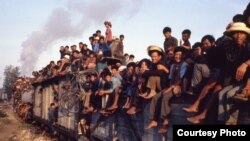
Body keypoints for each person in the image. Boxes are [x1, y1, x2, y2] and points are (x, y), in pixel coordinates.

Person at [218, 22, 250, 125]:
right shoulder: (233, 48)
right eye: (236, 33)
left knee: (230, 94)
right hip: (240, 80)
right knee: (221, 94)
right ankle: (223, 122)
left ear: (246, 35)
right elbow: (220, 45)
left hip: (247, 80)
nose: (239, 36)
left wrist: (245, 64)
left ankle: (231, 123)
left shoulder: (249, 45)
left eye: (242, 33)